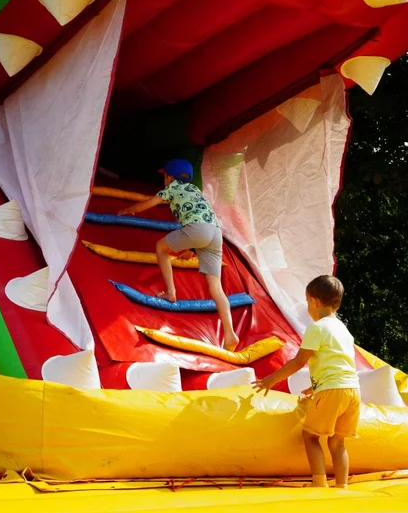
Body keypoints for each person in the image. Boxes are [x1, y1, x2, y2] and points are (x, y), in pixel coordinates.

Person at [117, 158, 238, 351]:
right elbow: (201, 218)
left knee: (161, 247)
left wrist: (129, 210)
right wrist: (191, 249)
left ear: (169, 176)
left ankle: (171, 292)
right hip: (215, 233)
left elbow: (149, 203)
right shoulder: (195, 190)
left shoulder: (172, 188)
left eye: (164, 176)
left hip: (197, 230)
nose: (164, 179)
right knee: (216, 287)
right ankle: (230, 333)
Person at [253, 275, 360, 489]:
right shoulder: (343, 330)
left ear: (314, 301)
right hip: (353, 390)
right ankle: (342, 486)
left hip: (333, 390)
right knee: (337, 442)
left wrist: (271, 379)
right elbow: (338, 363)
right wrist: (317, 386)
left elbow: (299, 361)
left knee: (310, 436)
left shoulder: (317, 328)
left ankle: (319, 484)